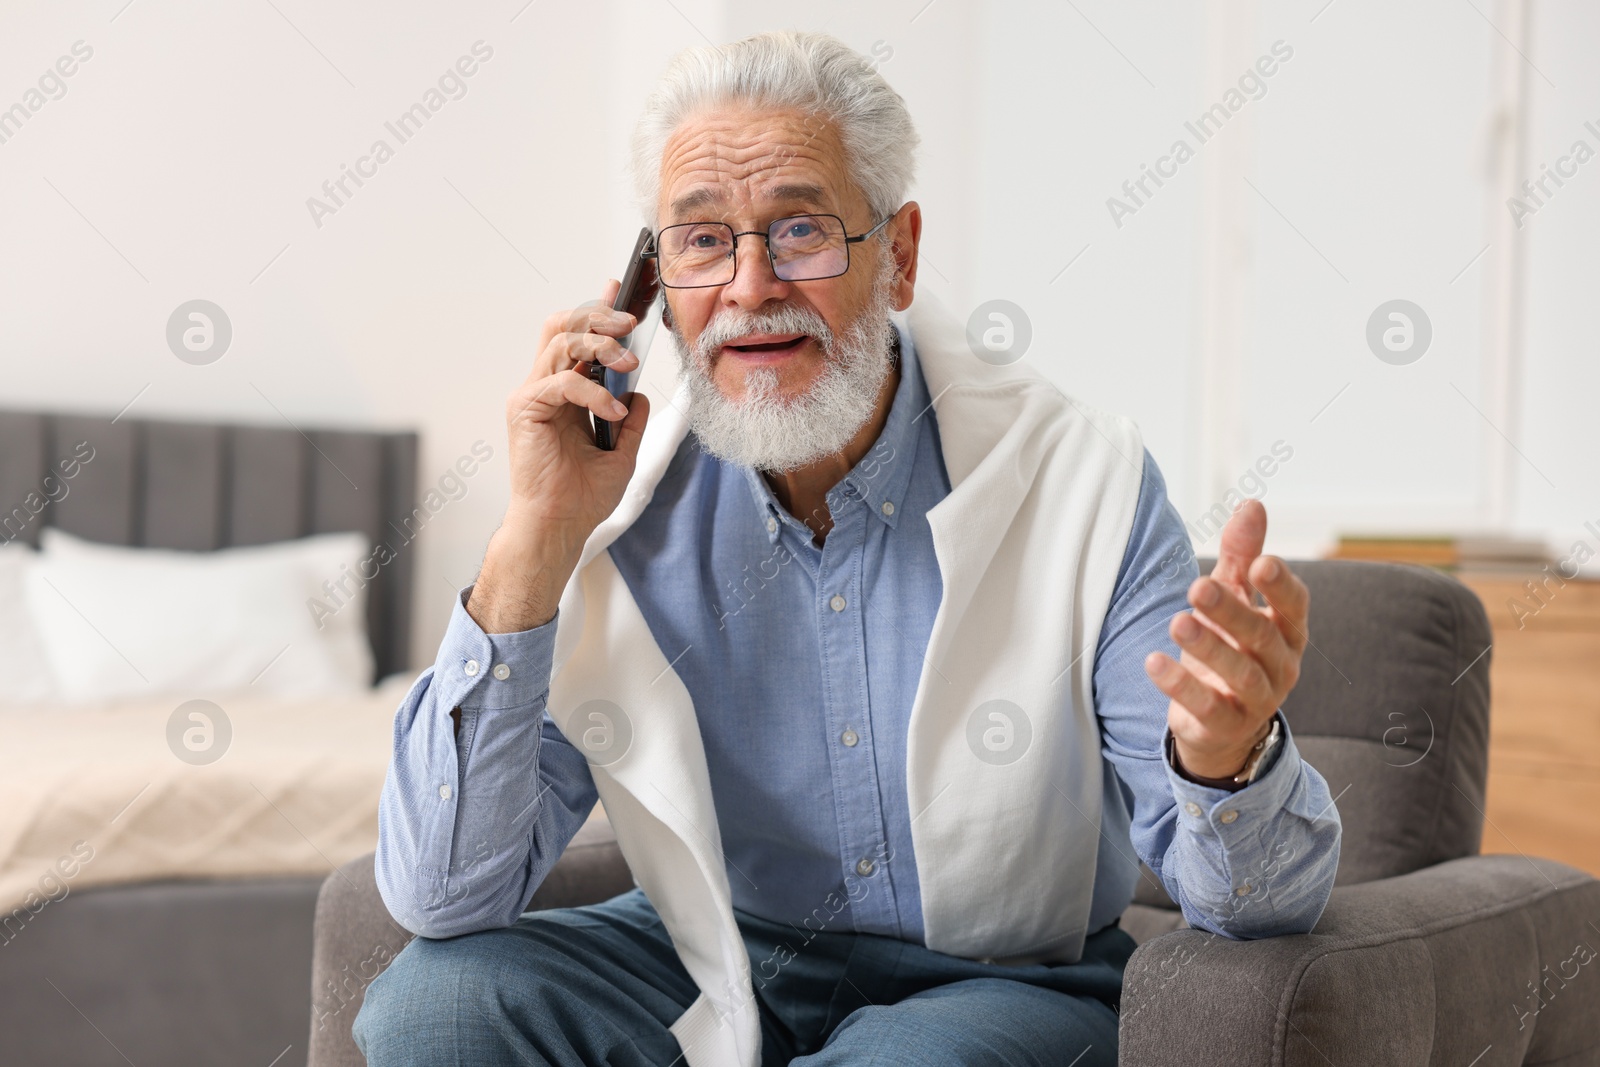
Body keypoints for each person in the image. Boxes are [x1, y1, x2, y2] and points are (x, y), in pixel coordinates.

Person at [354, 29, 1340, 1067]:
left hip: (998, 979)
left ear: (900, 255)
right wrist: (537, 535)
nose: (748, 285)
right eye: (699, 241)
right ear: (652, 283)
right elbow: (444, 891)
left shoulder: (1085, 478)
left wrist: (1226, 760)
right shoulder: (613, 500)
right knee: (434, 1006)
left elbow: (1254, 908)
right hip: (710, 953)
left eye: (800, 230)